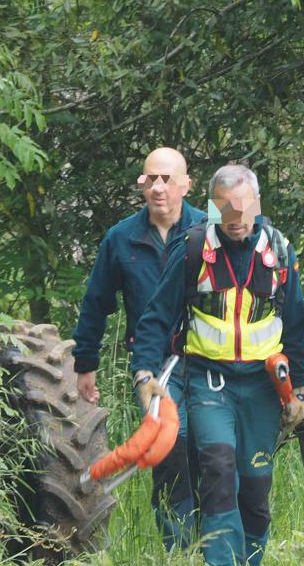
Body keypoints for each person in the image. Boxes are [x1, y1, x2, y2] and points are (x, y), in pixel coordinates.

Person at [131, 164, 304, 566]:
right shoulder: (193, 249)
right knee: (218, 474)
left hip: (263, 389)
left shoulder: (278, 251)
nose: (236, 218)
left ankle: (250, 558)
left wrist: (299, 389)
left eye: (244, 208)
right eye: (226, 208)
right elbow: (156, 318)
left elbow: (297, 327)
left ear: (258, 205)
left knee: (255, 487)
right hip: (210, 384)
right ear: (212, 208)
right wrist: (144, 373)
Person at [71, 147, 205, 549]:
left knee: (210, 448)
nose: (158, 187)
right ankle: (178, 548)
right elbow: (96, 303)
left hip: (209, 359)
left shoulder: (209, 228)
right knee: (169, 449)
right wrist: (86, 365)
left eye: (167, 178)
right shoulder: (121, 238)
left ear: (186, 184)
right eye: (150, 179)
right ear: (141, 184)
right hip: (153, 364)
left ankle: (215, 544)